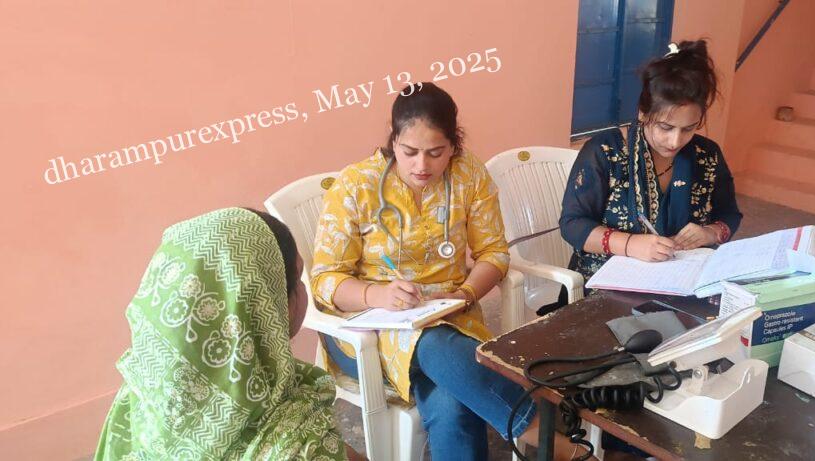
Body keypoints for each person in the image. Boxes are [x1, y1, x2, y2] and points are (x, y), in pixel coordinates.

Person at [311, 82, 574, 460]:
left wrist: (465, 293)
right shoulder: (356, 186)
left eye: (436, 153)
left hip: (450, 315)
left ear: (454, 144)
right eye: (409, 152)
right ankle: (553, 442)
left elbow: (494, 253)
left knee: (451, 402)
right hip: (367, 331)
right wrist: (378, 295)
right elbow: (325, 280)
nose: (422, 166)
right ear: (393, 140)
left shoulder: (469, 176)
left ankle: (552, 442)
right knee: (435, 346)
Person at [95, 207, 361, 460]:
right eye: (298, 278)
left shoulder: (136, 398)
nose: (304, 291)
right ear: (264, 308)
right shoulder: (301, 446)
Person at [559, 39, 743, 290]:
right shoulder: (605, 152)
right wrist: (630, 244)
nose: (675, 141)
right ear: (643, 114)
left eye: (689, 129)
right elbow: (572, 224)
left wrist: (711, 232)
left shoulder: (707, 155)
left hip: (683, 280)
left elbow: (729, 213)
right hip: (607, 284)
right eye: (665, 127)